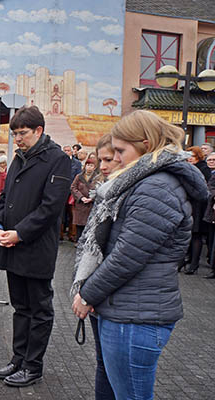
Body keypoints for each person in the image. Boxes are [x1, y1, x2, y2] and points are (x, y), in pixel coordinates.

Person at [71, 110, 208, 400]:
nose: (116, 158)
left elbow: (127, 256)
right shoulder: (145, 181)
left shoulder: (156, 186)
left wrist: (87, 295)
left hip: (135, 316)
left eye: (120, 151)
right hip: (126, 309)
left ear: (145, 144)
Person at [0, 106, 70, 387]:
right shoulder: (18, 158)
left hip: (35, 248)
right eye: (14, 134)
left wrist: (19, 234)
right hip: (12, 245)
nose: (17, 139)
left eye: (22, 133)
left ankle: (33, 366)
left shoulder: (58, 160)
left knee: (39, 309)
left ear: (39, 131)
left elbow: (50, 208)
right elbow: (5, 197)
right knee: (20, 307)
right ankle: (18, 359)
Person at [70, 133, 119, 400]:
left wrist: (88, 293)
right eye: (99, 160)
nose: (102, 166)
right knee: (104, 367)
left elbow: (123, 258)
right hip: (103, 299)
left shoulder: (139, 193)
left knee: (121, 378)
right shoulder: (107, 190)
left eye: (109, 159)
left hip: (122, 304)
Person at [183, 146, 211, 274]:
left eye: (192, 156)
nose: (189, 159)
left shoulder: (203, 169)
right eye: (188, 156)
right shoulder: (188, 167)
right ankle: (186, 260)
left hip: (198, 207)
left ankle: (193, 264)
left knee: (196, 235)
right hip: (189, 205)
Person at [70, 158, 99, 243]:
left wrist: (92, 198)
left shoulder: (97, 178)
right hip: (80, 204)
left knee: (89, 226)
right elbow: (73, 187)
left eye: (91, 165)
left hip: (91, 205)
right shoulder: (79, 176)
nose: (89, 167)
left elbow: (99, 189)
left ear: (94, 167)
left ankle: (86, 243)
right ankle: (78, 242)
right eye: (87, 165)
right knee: (79, 225)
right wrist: (81, 197)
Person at [61, 145, 82, 241]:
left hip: (71, 192)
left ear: (71, 152)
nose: (66, 152)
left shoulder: (77, 163)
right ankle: (59, 234)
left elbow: (78, 177)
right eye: (64, 150)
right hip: (61, 191)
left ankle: (72, 235)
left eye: (68, 150)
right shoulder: (59, 162)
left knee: (72, 214)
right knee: (60, 214)